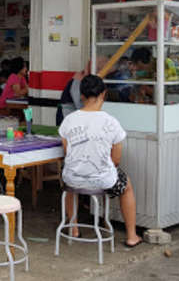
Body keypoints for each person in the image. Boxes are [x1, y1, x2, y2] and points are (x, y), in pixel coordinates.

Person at [59, 75, 142, 247]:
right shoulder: (111, 122)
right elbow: (116, 159)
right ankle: (132, 236)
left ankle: (74, 229)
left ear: (81, 95)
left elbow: (68, 153)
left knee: (69, 183)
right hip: (103, 180)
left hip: (73, 178)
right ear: (104, 94)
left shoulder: (69, 120)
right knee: (126, 187)